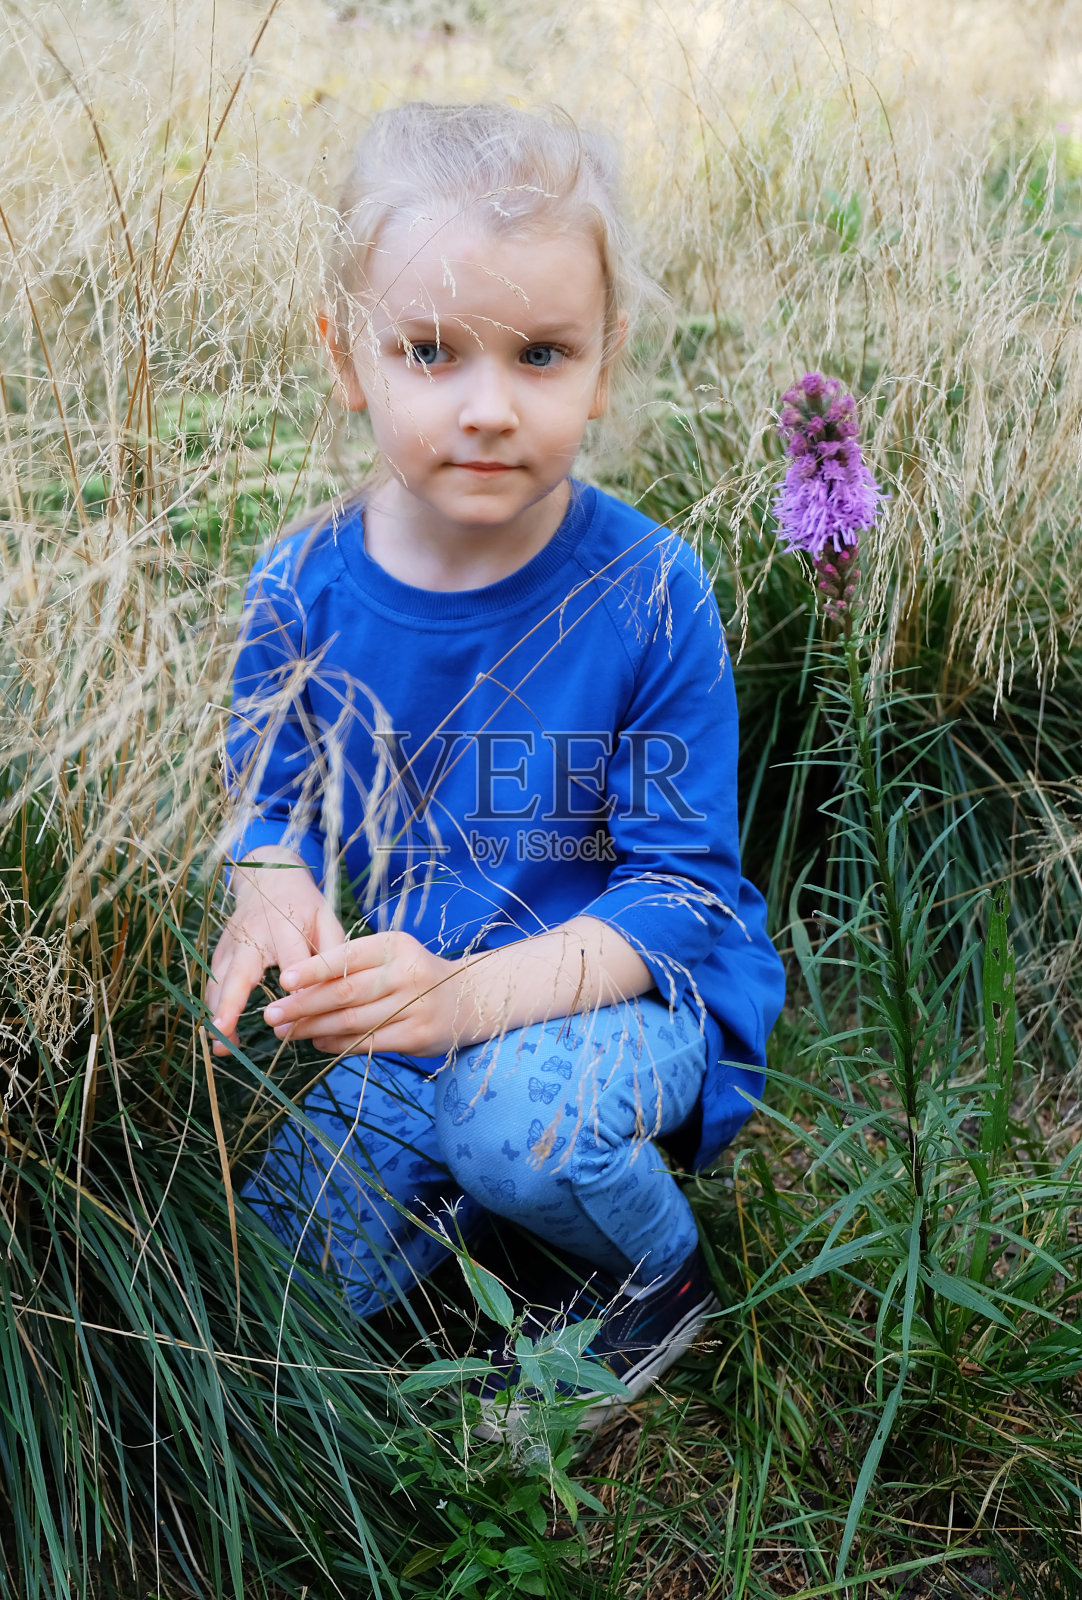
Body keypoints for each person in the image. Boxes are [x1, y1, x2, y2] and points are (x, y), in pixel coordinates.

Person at [206, 101, 785, 1420]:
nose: (485, 408)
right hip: (416, 1010)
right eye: (427, 351)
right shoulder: (298, 585)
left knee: (516, 1116)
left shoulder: (645, 588)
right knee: (274, 1299)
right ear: (346, 356)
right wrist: (267, 882)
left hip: (618, 998)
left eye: (538, 354)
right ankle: (474, 1199)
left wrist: (465, 1001)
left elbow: (682, 897)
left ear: (602, 360)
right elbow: (269, 799)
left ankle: (658, 1275)